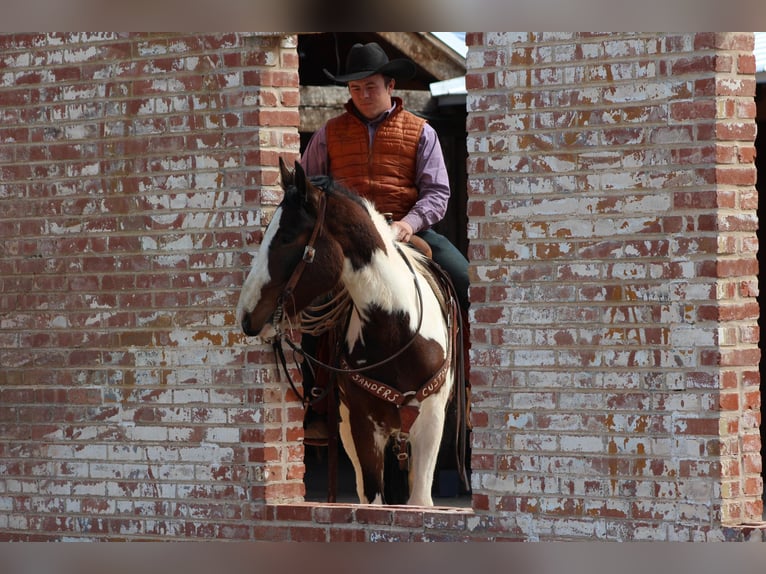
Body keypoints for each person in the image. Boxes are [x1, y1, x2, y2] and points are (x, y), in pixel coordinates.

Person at [299, 42, 470, 441]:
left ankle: (471, 391)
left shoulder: (420, 132)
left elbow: (437, 194)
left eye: (370, 86)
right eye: (355, 88)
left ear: (391, 85)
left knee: (468, 284)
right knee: (308, 304)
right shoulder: (329, 134)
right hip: (349, 244)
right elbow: (307, 190)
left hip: (408, 231)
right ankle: (317, 404)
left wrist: (409, 225)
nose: (362, 94)